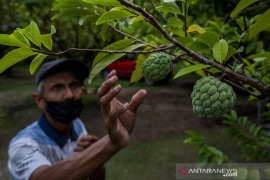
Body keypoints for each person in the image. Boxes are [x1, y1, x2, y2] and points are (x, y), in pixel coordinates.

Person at [8, 59, 147, 180]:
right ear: (39, 100)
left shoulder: (77, 126)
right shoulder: (22, 145)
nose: (69, 95)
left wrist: (92, 153)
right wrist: (109, 144)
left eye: (74, 85)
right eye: (57, 87)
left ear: (82, 91)